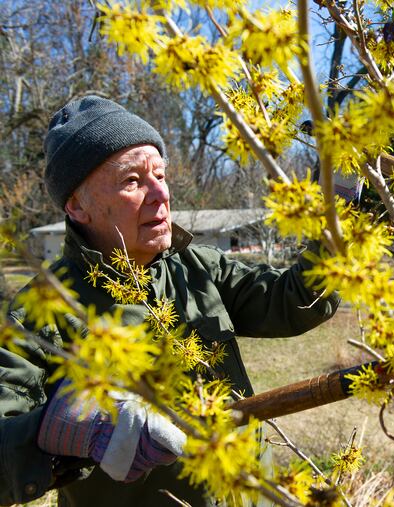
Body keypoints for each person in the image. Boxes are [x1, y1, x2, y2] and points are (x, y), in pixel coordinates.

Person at [0, 95, 342, 506]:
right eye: (132, 181)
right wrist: (74, 429)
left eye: (160, 175)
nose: (160, 194)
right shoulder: (43, 309)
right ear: (77, 206)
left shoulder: (197, 267)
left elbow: (292, 301)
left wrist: (335, 215)